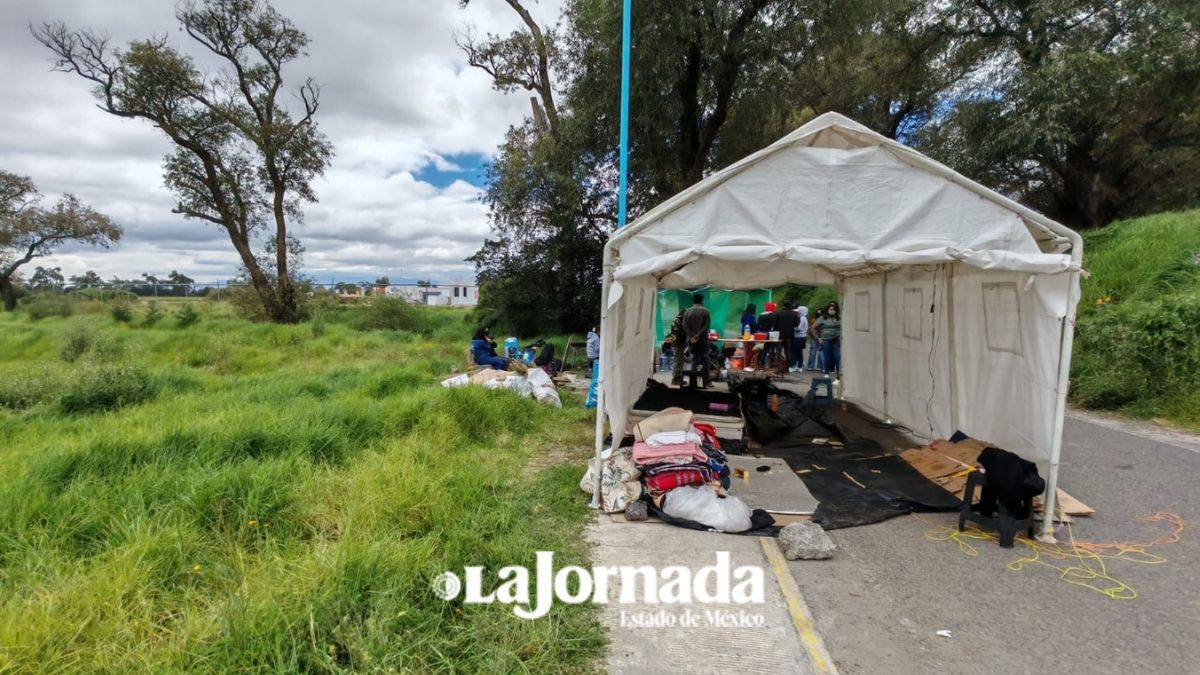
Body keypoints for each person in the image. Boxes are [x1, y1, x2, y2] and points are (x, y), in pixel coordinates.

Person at [678, 293, 712, 387]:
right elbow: (706, 326)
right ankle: (707, 382)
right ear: (701, 301)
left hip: (691, 340)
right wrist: (698, 335)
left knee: (694, 360)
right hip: (703, 340)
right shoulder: (706, 311)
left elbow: (684, 326)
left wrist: (692, 336)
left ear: (693, 301)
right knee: (705, 360)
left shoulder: (687, 312)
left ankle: (693, 382)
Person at [814, 301, 842, 378]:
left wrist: (841, 336)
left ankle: (839, 374)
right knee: (827, 356)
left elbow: (844, 327)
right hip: (826, 340)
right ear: (827, 309)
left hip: (836, 340)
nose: (832, 310)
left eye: (833, 309)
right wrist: (818, 338)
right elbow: (813, 328)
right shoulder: (823, 317)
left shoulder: (839, 317)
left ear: (836, 309)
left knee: (837, 357)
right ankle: (826, 372)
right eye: (830, 309)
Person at [772, 300, 798, 374]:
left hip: (780, 335)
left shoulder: (778, 313)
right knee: (788, 352)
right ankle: (787, 369)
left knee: (778, 352)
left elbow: (774, 324)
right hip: (789, 336)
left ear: (783, 306)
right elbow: (796, 324)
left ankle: (778, 369)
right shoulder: (794, 314)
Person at [806, 307, 825, 371]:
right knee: (813, 352)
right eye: (818, 314)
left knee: (820, 352)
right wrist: (817, 338)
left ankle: (819, 366)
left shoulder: (824, 321)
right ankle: (811, 366)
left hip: (821, 338)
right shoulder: (813, 320)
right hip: (815, 338)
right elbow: (811, 330)